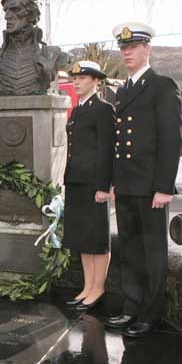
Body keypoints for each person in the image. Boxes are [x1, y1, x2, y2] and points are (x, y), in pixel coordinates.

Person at [105, 22, 182, 337]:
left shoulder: (162, 85)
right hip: (126, 185)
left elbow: (170, 140)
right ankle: (130, 308)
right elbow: (118, 141)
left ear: (147, 48)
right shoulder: (124, 89)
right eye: (124, 48)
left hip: (151, 188)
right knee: (130, 251)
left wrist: (164, 187)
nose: (127, 52)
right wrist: (112, 181)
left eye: (133, 47)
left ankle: (150, 315)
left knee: (152, 253)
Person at [62, 61, 115, 312]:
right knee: (83, 238)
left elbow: (106, 150)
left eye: (83, 78)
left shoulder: (103, 109)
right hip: (76, 181)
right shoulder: (77, 110)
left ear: (96, 81)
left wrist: (103, 185)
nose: (76, 81)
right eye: (75, 78)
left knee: (97, 238)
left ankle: (98, 288)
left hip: (94, 183)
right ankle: (87, 287)